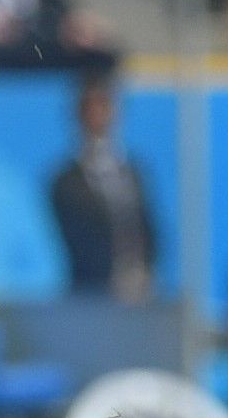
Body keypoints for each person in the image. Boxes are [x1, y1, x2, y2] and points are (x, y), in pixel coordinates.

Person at [48, 74, 159, 302]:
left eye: (104, 105)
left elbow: (148, 228)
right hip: (93, 295)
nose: (97, 114)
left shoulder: (133, 173)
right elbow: (76, 242)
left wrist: (143, 272)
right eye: (91, 107)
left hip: (138, 293)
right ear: (79, 114)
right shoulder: (66, 183)